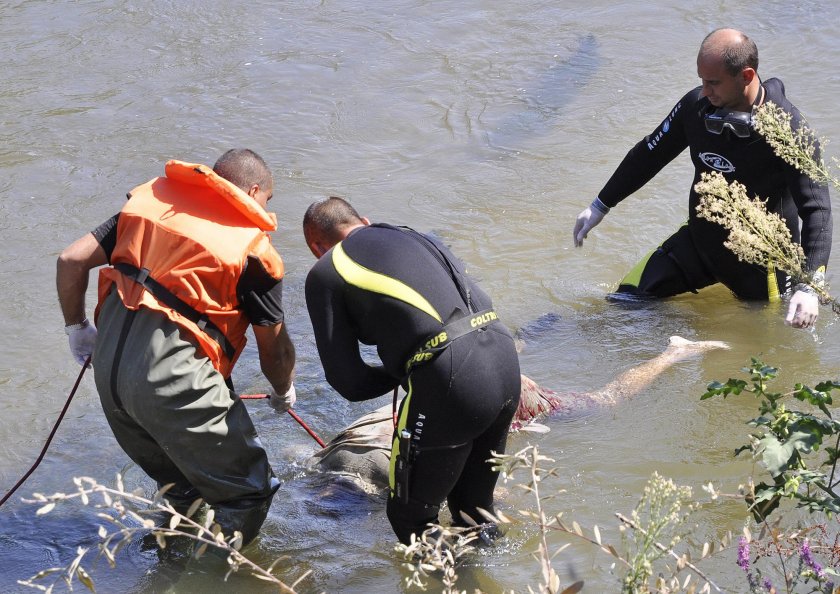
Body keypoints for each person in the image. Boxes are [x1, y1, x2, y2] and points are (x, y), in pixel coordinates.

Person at [56, 149, 296, 546]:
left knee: (180, 487)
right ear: (254, 191)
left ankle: (166, 563)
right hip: (172, 386)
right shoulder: (252, 252)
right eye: (267, 201)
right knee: (248, 493)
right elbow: (274, 350)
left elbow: (70, 260)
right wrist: (284, 389)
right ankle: (210, 582)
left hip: (111, 378)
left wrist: (77, 328)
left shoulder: (150, 210)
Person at [572, 28, 832, 329]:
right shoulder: (695, 108)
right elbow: (649, 154)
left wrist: (810, 286)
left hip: (762, 268)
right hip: (699, 242)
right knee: (623, 304)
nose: (705, 91)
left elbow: (818, 212)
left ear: (746, 76)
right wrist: (600, 205)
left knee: (758, 351)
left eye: (713, 82)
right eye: (701, 80)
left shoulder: (789, 132)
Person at [302, 196, 521, 545]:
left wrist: (406, 369)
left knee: (410, 517)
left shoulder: (327, 269)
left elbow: (350, 382)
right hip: (504, 358)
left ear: (317, 246)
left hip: (452, 378)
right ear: (365, 221)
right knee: (474, 508)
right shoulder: (416, 236)